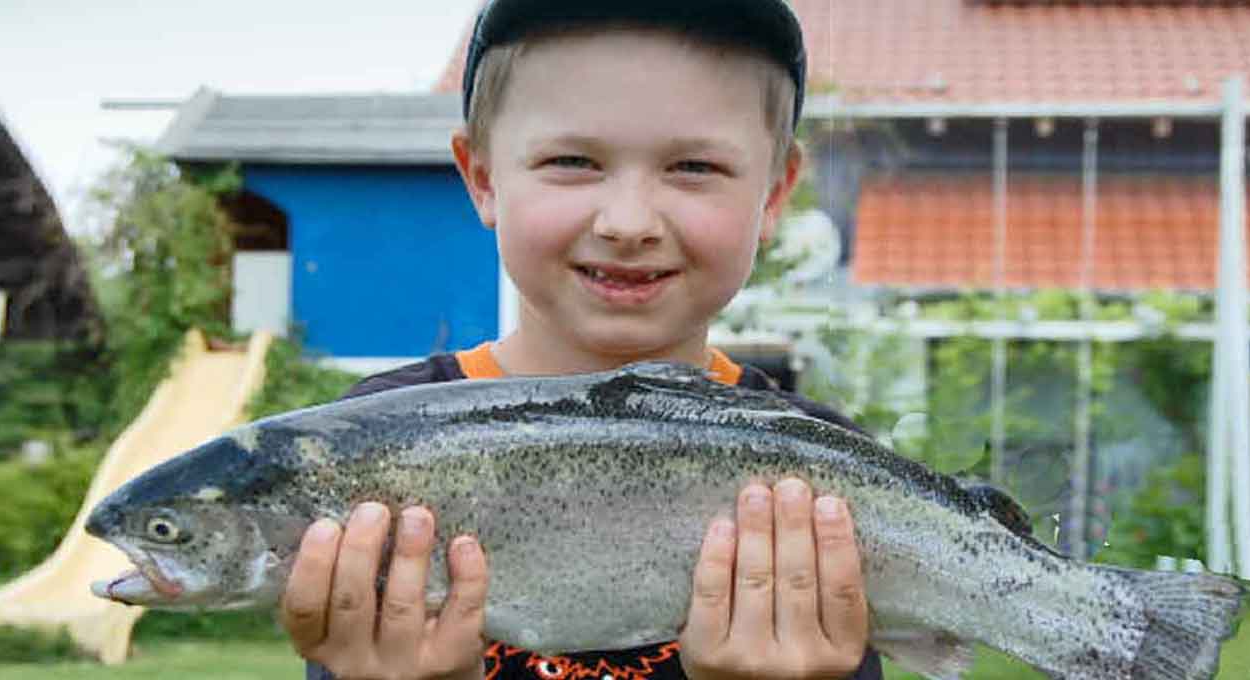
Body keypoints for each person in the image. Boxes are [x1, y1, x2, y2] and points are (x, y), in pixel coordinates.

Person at [284, 2, 883, 678]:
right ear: (482, 178)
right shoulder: (366, 449)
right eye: (572, 160)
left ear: (774, 194)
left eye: (694, 167)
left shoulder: (829, 478)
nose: (629, 222)